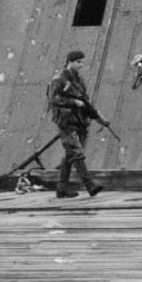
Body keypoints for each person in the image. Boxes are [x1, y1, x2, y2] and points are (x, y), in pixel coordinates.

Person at [48, 50, 108, 198]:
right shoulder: (59, 79)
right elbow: (53, 99)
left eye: (82, 62)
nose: (81, 65)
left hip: (79, 120)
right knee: (76, 153)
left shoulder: (78, 80)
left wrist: (97, 116)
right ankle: (90, 186)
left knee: (71, 154)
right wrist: (73, 102)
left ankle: (62, 188)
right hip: (65, 121)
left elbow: (85, 102)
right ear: (70, 62)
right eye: (79, 62)